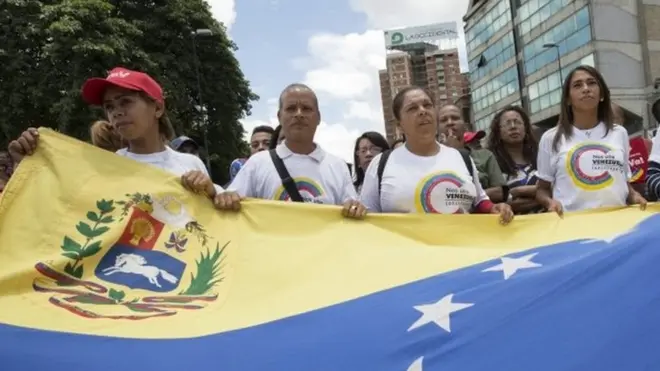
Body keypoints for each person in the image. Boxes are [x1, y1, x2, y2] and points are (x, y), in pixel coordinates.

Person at [8, 67, 222, 200]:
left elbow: (223, 214)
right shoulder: (103, 168)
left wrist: (214, 193)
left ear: (157, 108)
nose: (116, 112)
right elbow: (61, 207)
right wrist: (25, 165)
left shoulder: (190, 164)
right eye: (109, 106)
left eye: (126, 101)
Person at [359, 86, 513, 222]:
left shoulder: (461, 158)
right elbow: (367, 219)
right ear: (399, 124)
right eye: (412, 108)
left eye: (427, 105)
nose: (422, 111)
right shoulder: (381, 164)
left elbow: (479, 201)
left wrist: (493, 208)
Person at [214, 83, 366, 219]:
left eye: (306, 109)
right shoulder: (257, 163)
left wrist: (355, 208)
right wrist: (226, 198)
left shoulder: (338, 167)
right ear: (280, 117)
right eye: (291, 108)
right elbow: (230, 203)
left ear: (318, 118)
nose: (299, 114)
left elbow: (352, 211)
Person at [536, 65, 646, 215]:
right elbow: (542, 189)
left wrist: (634, 196)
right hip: (572, 227)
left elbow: (624, 182)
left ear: (601, 94)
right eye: (577, 85)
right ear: (568, 98)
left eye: (592, 83)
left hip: (617, 227)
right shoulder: (551, 138)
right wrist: (549, 202)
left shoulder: (620, 133)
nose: (586, 88)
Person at [437, 104, 508, 203]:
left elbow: (499, 192)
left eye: (455, 118)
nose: (450, 123)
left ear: (465, 126)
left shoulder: (485, 156)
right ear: (437, 129)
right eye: (444, 120)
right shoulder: (431, 159)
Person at [487, 105, 542, 214]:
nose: (513, 127)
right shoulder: (491, 165)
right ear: (498, 132)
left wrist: (517, 191)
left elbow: (557, 188)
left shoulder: (541, 157)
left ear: (525, 128)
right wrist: (542, 194)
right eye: (507, 123)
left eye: (517, 122)